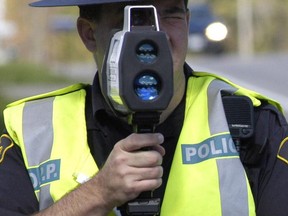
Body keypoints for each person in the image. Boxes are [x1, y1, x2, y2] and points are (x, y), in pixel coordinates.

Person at [0, 0, 288, 215]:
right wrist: (98, 193)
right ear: (89, 34)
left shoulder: (250, 122)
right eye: (134, 16)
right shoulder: (30, 131)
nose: (154, 36)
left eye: (170, 14)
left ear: (187, 23)